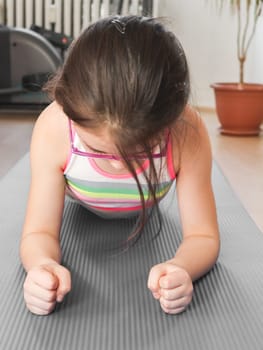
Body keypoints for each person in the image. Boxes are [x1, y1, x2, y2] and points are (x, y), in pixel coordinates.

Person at [20, 15, 220, 316]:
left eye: (140, 152)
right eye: (97, 149)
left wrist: (182, 268)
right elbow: (38, 232)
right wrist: (41, 266)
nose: (117, 166)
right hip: (81, 206)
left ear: (171, 119)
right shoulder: (54, 128)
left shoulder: (186, 132)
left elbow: (203, 236)